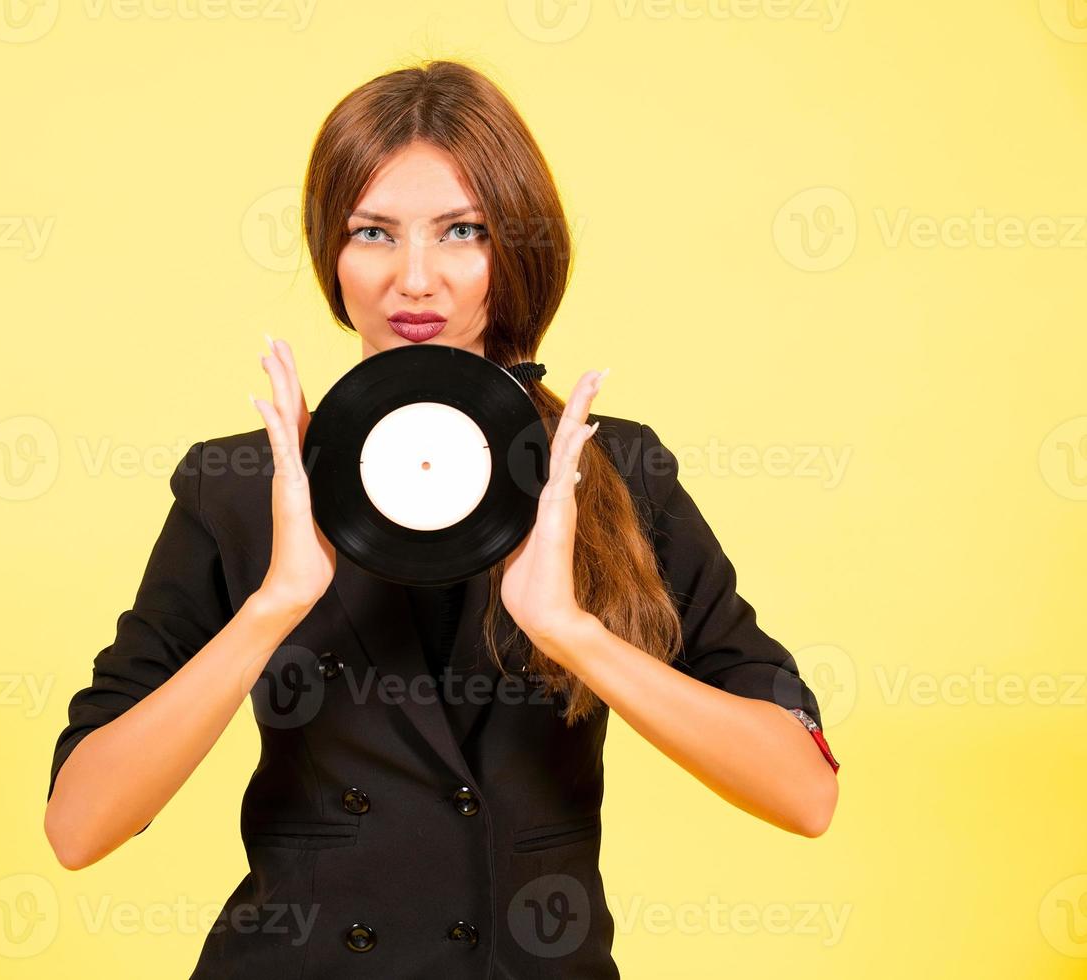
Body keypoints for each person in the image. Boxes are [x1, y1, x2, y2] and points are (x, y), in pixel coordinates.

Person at [44, 59, 840, 979]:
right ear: (330, 256)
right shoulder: (238, 486)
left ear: (517, 250)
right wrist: (273, 604)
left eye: (462, 231)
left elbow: (803, 792)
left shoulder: (615, 472)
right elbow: (79, 825)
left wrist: (573, 634)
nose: (413, 280)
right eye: (372, 233)